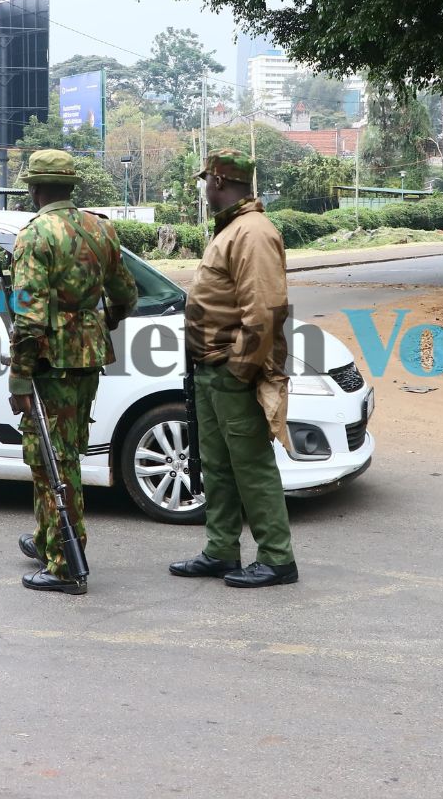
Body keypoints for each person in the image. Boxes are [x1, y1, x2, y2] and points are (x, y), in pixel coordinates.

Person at [8, 149, 137, 595]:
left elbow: (28, 315)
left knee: (51, 458)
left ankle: (66, 563)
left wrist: (19, 375)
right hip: (88, 355)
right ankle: (48, 540)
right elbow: (125, 293)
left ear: (35, 189)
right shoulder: (101, 227)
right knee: (65, 451)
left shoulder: (35, 235)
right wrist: (103, 321)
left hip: (50, 361)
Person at [169, 148, 298, 588]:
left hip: (230, 370)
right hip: (211, 370)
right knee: (218, 466)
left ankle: (278, 558)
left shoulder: (253, 232)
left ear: (219, 182)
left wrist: (238, 372)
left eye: (207, 181)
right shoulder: (233, 229)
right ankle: (221, 549)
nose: (205, 189)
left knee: (251, 465)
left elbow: (264, 313)